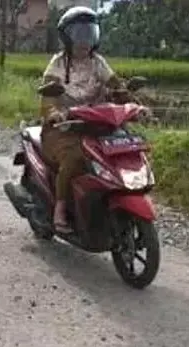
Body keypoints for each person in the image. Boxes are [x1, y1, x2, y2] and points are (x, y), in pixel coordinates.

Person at [40, 6, 142, 233]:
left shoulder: (98, 62)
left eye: (89, 33)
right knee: (74, 159)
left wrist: (134, 103)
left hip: (96, 125)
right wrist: (54, 113)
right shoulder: (57, 64)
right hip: (64, 128)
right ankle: (60, 209)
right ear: (67, 36)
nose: (84, 41)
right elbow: (48, 99)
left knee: (122, 150)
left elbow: (118, 87)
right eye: (79, 34)